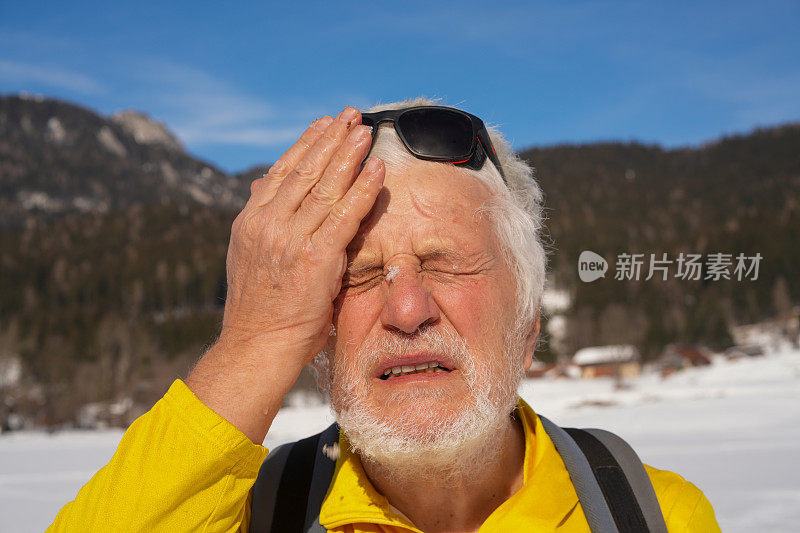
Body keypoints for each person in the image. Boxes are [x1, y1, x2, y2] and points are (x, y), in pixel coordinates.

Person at [48, 99, 720, 532]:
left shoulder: (648, 513)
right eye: (360, 274)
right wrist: (255, 340)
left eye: (446, 263)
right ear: (317, 342)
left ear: (528, 323)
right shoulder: (252, 514)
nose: (406, 309)